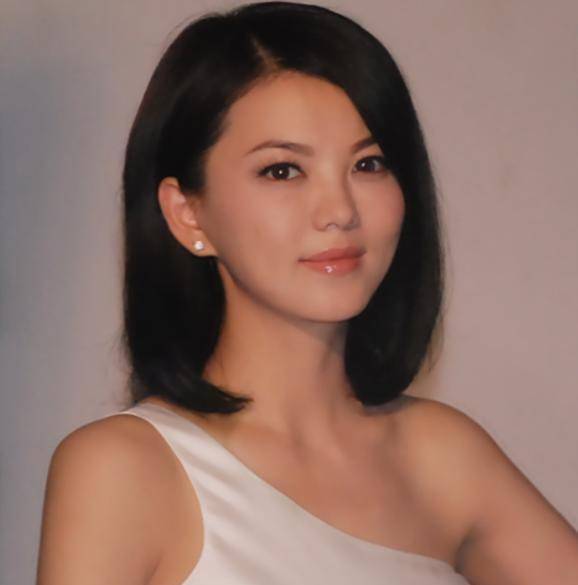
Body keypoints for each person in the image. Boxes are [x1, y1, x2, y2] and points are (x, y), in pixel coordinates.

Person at [36, 2, 578, 584]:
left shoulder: (441, 457)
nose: (339, 210)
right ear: (187, 212)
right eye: (282, 171)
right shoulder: (123, 469)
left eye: (369, 164)